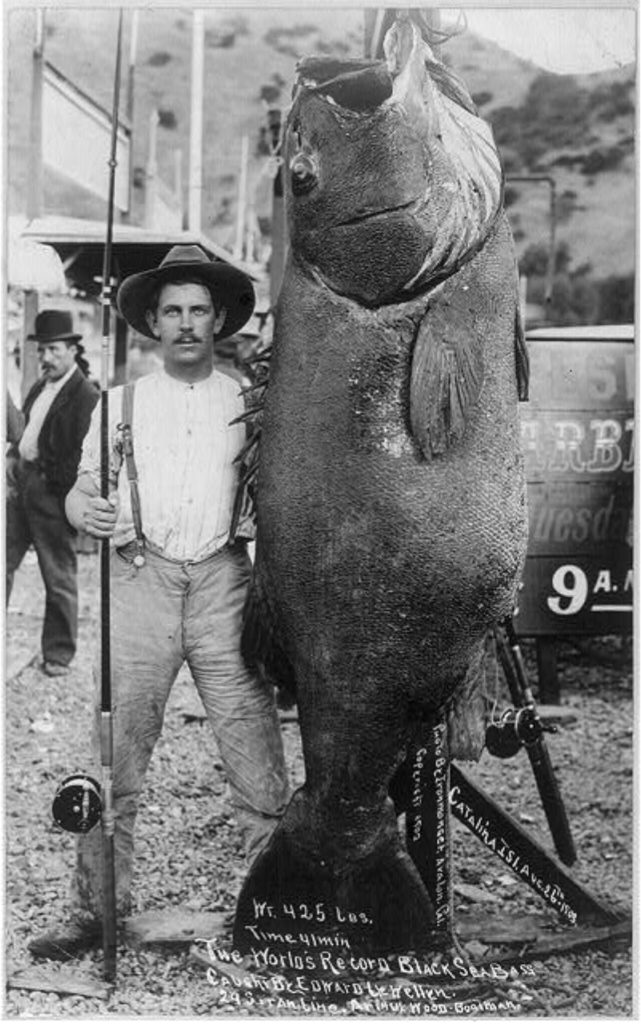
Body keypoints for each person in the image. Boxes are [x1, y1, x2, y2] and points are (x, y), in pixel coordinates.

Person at [29, 245, 290, 960]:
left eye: (198, 310)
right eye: (171, 310)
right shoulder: (120, 402)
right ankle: (95, 913)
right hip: (139, 581)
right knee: (116, 754)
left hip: (221, 583)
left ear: (218, 321)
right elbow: (80, 489)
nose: (184, 324)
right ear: (150, 320)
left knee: (253, 752)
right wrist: (91, 513)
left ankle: (276, 911)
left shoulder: (245, 397)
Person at [6, 310, 99, 676]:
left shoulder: (85, 395)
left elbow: (83, 457)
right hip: (21, 489)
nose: (46, 357)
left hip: (54, 495)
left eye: (54, 349)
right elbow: (25, 433)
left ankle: (59, 654)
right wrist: (15, 464)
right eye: (42, 350)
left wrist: (54, 488)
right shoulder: (40, 386)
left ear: (73, 349)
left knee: (58, 575)